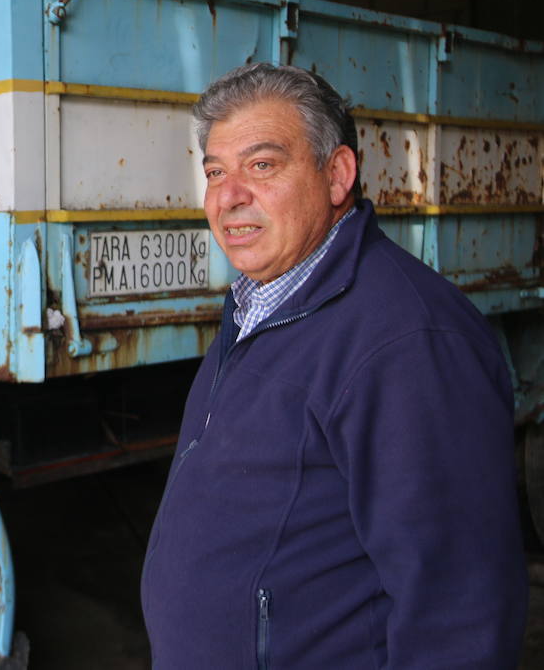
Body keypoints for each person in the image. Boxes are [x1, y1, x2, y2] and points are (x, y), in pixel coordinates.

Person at [140, 63, 527, 668]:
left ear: (336, 173)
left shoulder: (407, 341)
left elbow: (458, 609)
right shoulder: (259, 301)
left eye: (262, 165)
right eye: (216, 171)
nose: (228, 195)